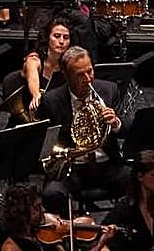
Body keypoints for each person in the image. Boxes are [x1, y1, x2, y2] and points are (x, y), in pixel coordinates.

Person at [36, 46, 128, 212]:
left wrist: (115, 123)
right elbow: (44, 145)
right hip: (71, 168)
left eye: (90, 71)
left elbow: (128, 128)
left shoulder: (108, 90)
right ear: (66, 75)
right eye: (80, 75)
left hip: (107, 165)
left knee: (141, 179)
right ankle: (66, 234)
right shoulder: (51, 101)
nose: (88, 79)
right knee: (52, 193)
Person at [20, 17, 71, 115]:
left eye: (66, 37)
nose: (61, 41)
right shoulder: (34, 59)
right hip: (28, 118)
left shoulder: (69, 65)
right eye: (56, 36)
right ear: (47, 37)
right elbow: (32, 73)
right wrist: (36, 95)